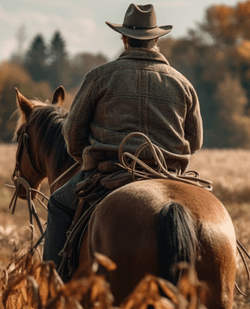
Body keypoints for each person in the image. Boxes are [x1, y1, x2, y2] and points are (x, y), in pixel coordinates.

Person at [43, 3, 203, 268]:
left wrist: (87, 158)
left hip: (108, 174)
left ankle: (51, 285)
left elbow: (71, 134)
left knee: (58, 204)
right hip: (170, 176)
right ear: (156, 39)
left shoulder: (99, 77)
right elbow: (195, 142)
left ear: (124, 38)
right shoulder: (183, 84)